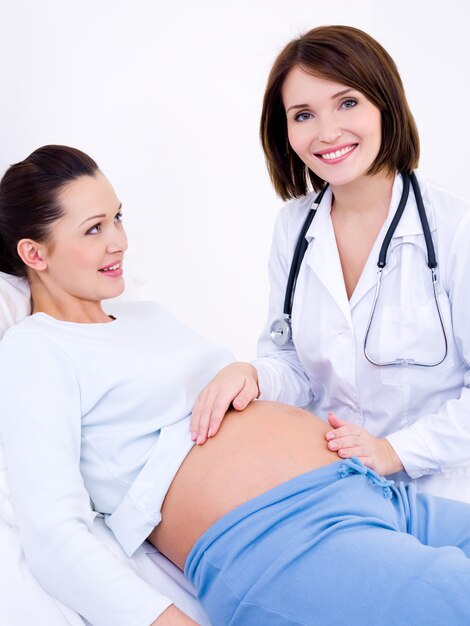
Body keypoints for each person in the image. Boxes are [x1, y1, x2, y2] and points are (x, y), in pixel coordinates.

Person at [2, 146, 470, 626]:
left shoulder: (148, 317)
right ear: (34, 253)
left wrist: (251, 373)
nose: (118, 241)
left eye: (118, 217)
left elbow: (275, 378)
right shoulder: (35, 348)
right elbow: (53, 531)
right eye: (93, 228)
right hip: (282, 539)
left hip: (372, 492)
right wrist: (162, 620)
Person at [191, 25, 470, 503]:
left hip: (443, 487)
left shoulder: (454, 227)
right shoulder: (294, 228)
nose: (327, 132)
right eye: (303, 114)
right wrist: (254, 375)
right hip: (331, 479)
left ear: (385, 103)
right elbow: (295, 365)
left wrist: (393, 451)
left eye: (347, 103)